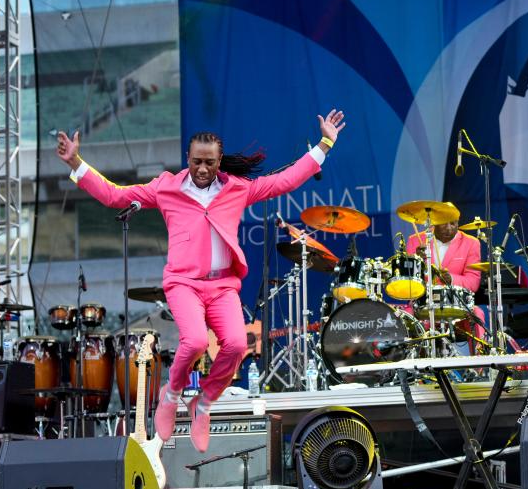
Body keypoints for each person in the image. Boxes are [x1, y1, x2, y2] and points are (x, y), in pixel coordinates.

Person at [56, 109, 346, 452]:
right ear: (188, 159)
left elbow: (283, 181)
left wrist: (325, 143)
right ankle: (171, 393)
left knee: (237, 346)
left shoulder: (237, 188)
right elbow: (115, 195)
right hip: (183, 283)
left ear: (220, 161)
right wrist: (77, 164)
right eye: (196, 162)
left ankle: (204, 403)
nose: (203, 169)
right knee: (193, 342)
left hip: (222, 285)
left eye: (209, 162)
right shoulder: (166, 188)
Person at [405, 215, 485, 349]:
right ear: (435, 223)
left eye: (453, 224)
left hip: (457, 305)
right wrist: (416, 260)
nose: (449, 228)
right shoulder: (416, 241)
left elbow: (473, 282)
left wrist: (452, 279)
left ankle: (481, 366)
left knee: (477, 314)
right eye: (444, 224)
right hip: (423, 305)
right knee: (405, 317)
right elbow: (408, 281)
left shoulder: (471, 243)